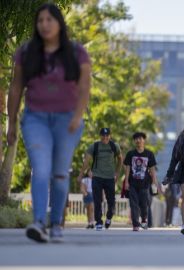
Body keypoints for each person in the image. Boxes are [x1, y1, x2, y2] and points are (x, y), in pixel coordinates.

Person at [7, 3, 90, 243]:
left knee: (60, 174)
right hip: (35, 119)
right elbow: (15, 87)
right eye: (40, 20)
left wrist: (77, 116)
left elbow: (84, 87)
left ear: (59, 23)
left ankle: (56, 224)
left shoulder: (76, 53)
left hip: (67, 120)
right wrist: (12, 123)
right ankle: (39, 222)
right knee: (40, 169)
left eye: (49, 20)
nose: (44, 24)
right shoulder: (26, 52)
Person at [78, 128, 122, 231]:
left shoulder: (114, 146)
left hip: (110, 177)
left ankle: (109, 217)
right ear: (100, 136)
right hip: (97, 176)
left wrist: (117, 173)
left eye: (107, 135)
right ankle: (98, 222)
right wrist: (81, 174)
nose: (105, 137)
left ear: (110, 136)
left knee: (111, 201)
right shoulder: (94, 146)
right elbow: (86, 161)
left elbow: (120, 159)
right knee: (97, 200)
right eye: (103, 135)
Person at [123, 132, 158, 231]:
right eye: (136, 139)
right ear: (134, 141)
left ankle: (144, 219)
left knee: (144, 203)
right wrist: (126, 182)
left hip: (145, 183)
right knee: (133, 204)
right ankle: (135, 224)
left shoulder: (149, 154)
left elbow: (152, 169)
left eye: (140, 138)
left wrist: (155, 182)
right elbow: (127, 168)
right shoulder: (131, 154)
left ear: (144, 140)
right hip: (133, 183)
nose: (138, 140)